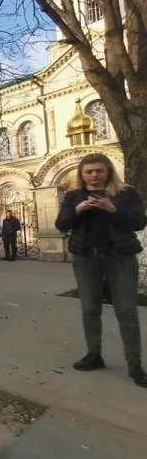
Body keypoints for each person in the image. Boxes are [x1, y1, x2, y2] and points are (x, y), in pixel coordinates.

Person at [55, 153, 147, 388]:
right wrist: (77, 210)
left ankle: (135, 364)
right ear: (82, 174)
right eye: (89, 171)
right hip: (86, 258)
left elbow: (138, 223)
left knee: (126, 311)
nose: (94, 175)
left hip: (121, 258)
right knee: (89, 308)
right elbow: (61, 224)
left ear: (108, 171)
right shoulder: (74, 196)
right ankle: (94, 354)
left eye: (99, 170)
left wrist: (112, 208)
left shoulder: (125, 193)